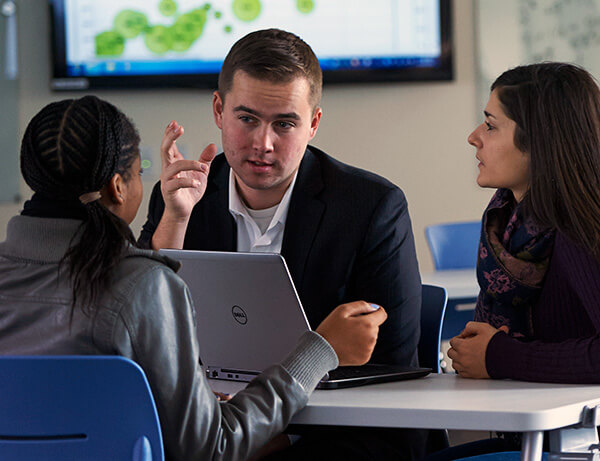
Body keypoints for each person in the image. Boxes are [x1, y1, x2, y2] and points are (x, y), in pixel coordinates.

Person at [0, 95, 388, 460]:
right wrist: (317, 351)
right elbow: (211, 449)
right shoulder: (143, 284)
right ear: (117, 188)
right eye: (139, 172)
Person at [139, 28, 422, 370]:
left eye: (284, 124)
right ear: (218, 110)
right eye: (247, 119)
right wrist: (177, 220)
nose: (263, 143)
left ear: (313, 124)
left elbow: (393, 360)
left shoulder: (373, 208)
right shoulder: (181, 196)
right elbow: (144, 331)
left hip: (331, 416)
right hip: (216, 416)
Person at [434, 62, 600, 460]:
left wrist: (499, 355)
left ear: (540, 140)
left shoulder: (580, 231)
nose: (473, 137)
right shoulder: (506, 220)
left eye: (491, 125)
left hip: (574, 444)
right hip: (528, 433)